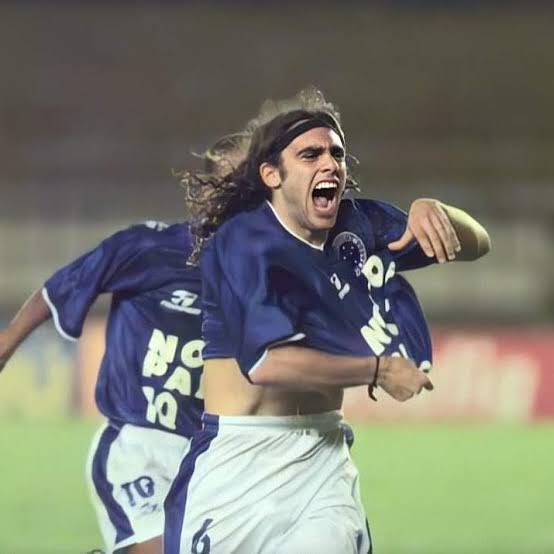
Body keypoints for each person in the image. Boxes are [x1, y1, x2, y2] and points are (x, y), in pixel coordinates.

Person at [164, 92, 490, 553]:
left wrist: (433, 209)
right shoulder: (242, 244)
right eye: (311, 154)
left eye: (337, 152)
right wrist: (377, 370)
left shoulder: (361, 225)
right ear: (271, 175)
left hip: (323, 458)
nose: (330, 163)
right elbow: (265, 364)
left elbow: (477, 243)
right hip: (238, 463)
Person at [0, 135, 249, 554]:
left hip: (210, 456)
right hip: (139, 447)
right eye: (228, 185)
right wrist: (7, 342)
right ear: (202, 193)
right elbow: (64, 287)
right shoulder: (148, 248)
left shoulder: (259, 273)